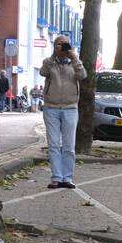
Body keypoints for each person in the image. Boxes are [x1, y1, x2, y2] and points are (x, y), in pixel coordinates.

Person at [40, 34, 87, 189]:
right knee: (53, 144)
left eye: (65, 44)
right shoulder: (49, 62)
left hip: (70, 108)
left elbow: (82, 75)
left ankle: (67, 178)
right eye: (59, 44)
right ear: (55, 46)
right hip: (51, 108)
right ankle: (56, 177)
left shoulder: (75, 63)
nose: (62, 47)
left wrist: (74, 58)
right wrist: (54, 55)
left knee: (69, 146)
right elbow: (43, 72)